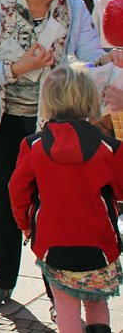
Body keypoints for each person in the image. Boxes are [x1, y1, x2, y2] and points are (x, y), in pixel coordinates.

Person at [0, 0, 123, 312]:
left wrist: (106, 59)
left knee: (53, 203)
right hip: (0, 120)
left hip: (52, 121)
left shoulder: (73, 6)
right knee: (1, 201)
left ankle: (58, 294)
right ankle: (0, 282)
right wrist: (21, 67)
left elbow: (87, 54)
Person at [9, 61, 123, 333]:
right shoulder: (109, 148)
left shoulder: (33, 146)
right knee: (96, 301)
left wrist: (24, 223)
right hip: (100, 242)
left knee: (65, 306)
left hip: (52, 243)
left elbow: (17, 191)